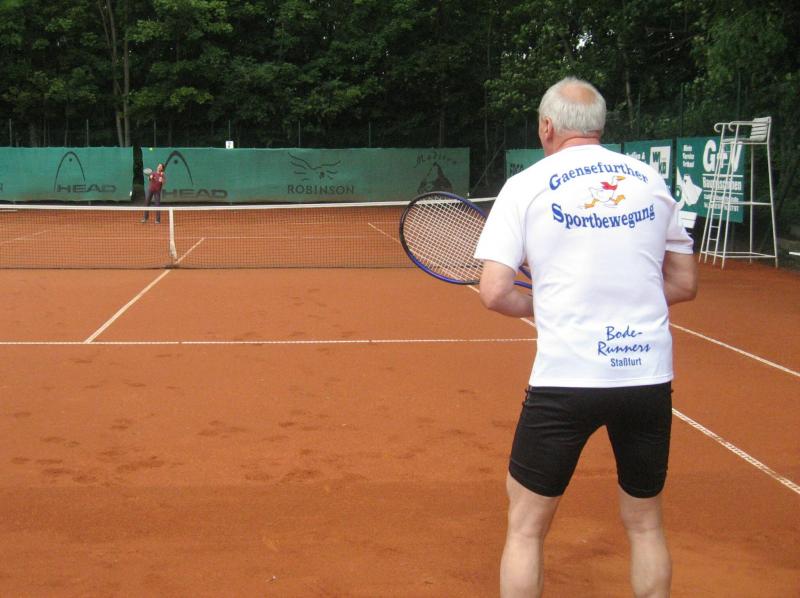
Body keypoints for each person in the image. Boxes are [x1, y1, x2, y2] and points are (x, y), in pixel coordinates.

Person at [474, 77, 697, 598]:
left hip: (566, 380)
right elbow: (684, 284)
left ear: (546, 127)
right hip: (646, 377)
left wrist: (550, 305)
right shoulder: (651, 180)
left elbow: (494, 292)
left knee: (526, 528)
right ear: (599, 126)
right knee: (646, 524)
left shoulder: (525, 185)